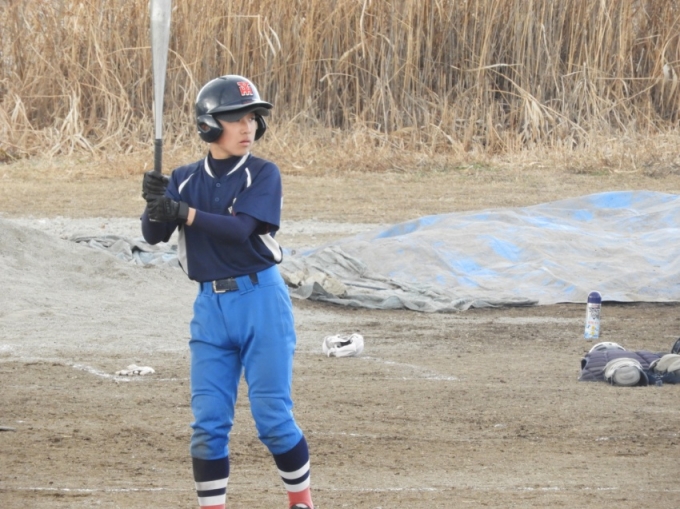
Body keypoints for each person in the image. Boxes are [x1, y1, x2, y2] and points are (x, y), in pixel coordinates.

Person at [140, 75, 314, 509]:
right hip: (209, 308)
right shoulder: (184, 179)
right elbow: (154, 236)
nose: (247, 127)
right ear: (208, 125)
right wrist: (154, 203)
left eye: (252, 118)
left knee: (272, 418)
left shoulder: (263, 173)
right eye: (236, 118)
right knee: (208, 425)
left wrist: (184, 211)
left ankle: (301, 502)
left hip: (260, 302)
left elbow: (240, 230)